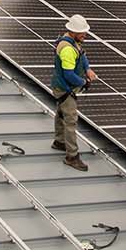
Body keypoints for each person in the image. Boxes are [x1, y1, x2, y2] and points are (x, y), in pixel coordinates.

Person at [50, 14, 96, 170]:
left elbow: (82, 55)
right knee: (70, 120)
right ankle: (72, 156)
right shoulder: (67, 49)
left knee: (61, 112)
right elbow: (68, 74)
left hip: (63, 87)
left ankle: (59, 141)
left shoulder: (73, 41)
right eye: (82, 32)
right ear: (73, 31)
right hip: (65, 88)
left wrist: (88, 69)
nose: (85, 34)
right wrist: (83, 82)